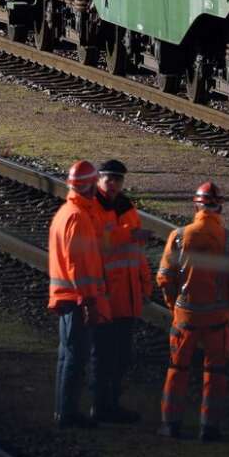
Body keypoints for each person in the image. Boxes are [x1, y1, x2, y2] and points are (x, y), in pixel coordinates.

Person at [156, 181, 229, 441]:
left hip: (185, 315)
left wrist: (173, 304)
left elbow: (164, 277)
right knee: (215, 373)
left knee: (177, 369)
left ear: (195, 204)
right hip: (218, 318)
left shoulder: (178, 236)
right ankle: (209, 428)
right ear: (220, 206)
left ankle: (170, 424)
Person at [47, 159, 108, 428]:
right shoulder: (77, 217)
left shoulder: (67, 211)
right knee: (75, 357)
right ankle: (67, 413)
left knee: (67, 355)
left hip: (67, 297)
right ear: (90, 186)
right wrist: (88, 299)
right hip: (75, 299)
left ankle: (64, 410)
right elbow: (78, 264)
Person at [91, 159, 151, 423]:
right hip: (105, 296)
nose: (113, 184)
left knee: (122, 356)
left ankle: (112, 403)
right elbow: (97, 242)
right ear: (98, 180)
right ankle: (100, 405)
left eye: (118, 179)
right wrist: (127, 234)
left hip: (126, 296)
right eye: (109, 179)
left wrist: (144, 285)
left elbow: (136, 254)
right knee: (103, 355)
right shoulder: (92, 208)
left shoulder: (126, 208)